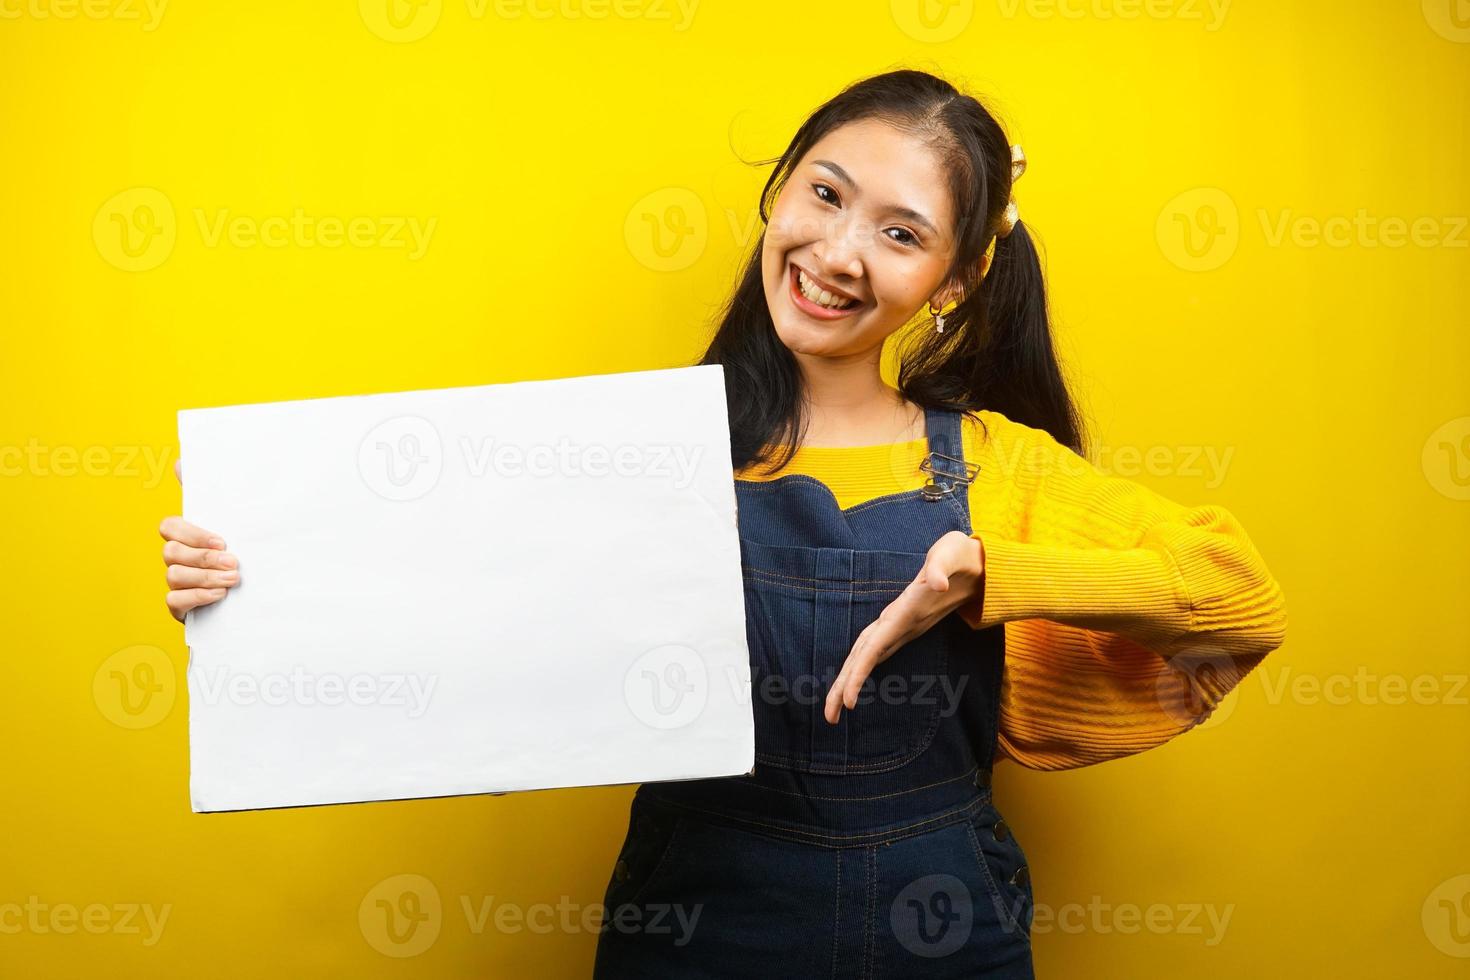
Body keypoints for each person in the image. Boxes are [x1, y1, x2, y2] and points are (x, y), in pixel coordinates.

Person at [159, 68, 1287, 978]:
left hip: (942, 919)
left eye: (903, 234)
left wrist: (989, 571)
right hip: (697, 920)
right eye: (826, 194)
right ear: (780, 190)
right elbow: (460, 636)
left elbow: (1240, 593)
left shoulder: (996, 464)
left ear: (956, 277)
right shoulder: (645, 454)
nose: (838, 253)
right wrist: (254, 595)